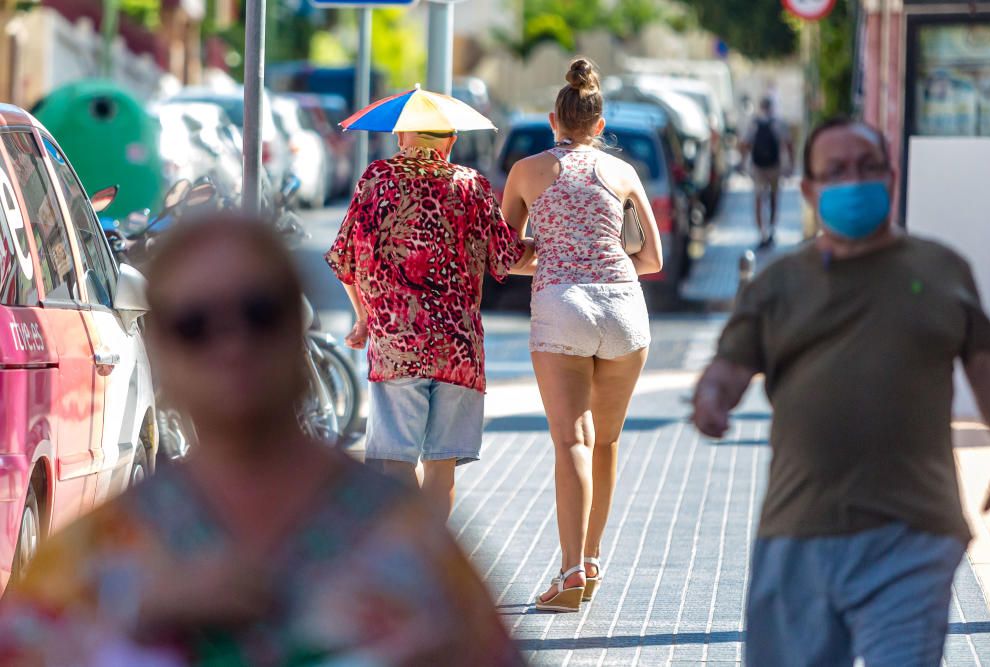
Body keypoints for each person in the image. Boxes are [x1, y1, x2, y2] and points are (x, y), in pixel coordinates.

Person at [0, 216, 525, 667]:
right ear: (158, 347)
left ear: (296, 327)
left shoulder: (411, 547)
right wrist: (130, 622)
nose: (232, 344)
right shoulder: (98, 556)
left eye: (258, 313)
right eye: (195, 325)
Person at [693, 118, 990, 666]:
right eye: (835, 171)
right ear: (808, 190)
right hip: (797, 534)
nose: (854, 181)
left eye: (868, 168)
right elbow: (729, 367)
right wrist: (712, 399)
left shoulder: (940, 270)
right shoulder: (778, 284)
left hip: (913, 533)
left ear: (892, 177)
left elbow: (988, 369)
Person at [501, 58, 663, 613]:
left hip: (561, 304)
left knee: (572, 439)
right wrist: (603, 262)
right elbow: (652, 257)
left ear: (553, 120)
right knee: (607, 441)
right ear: (599, 123)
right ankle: (592, 560)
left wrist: (552, 259)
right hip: (624, 307)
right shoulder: (623, 173)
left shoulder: (526, 171)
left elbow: (506, 253)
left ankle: (569, 572)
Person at [327, 127, 530, 523]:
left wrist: (366, 317)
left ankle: (407, 566)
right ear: (451, 141)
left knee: (396, 462)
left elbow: (344, 260)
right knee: (441, 466)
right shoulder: (472, 185)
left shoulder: (376, 180)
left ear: (401, 136)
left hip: (397, 343)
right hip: (459, 348)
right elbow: (507, 256)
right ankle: (434, 559)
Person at [741, 97, 794, 249]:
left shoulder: (753, 123)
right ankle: (771, 230)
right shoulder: (779, 123)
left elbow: (744, 144)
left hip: (758, 168)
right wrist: (790, 165)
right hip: (774, 166)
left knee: (758, 199)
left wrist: (743, 162)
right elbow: (788, 143)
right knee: (774, 198)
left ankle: (761, 233)